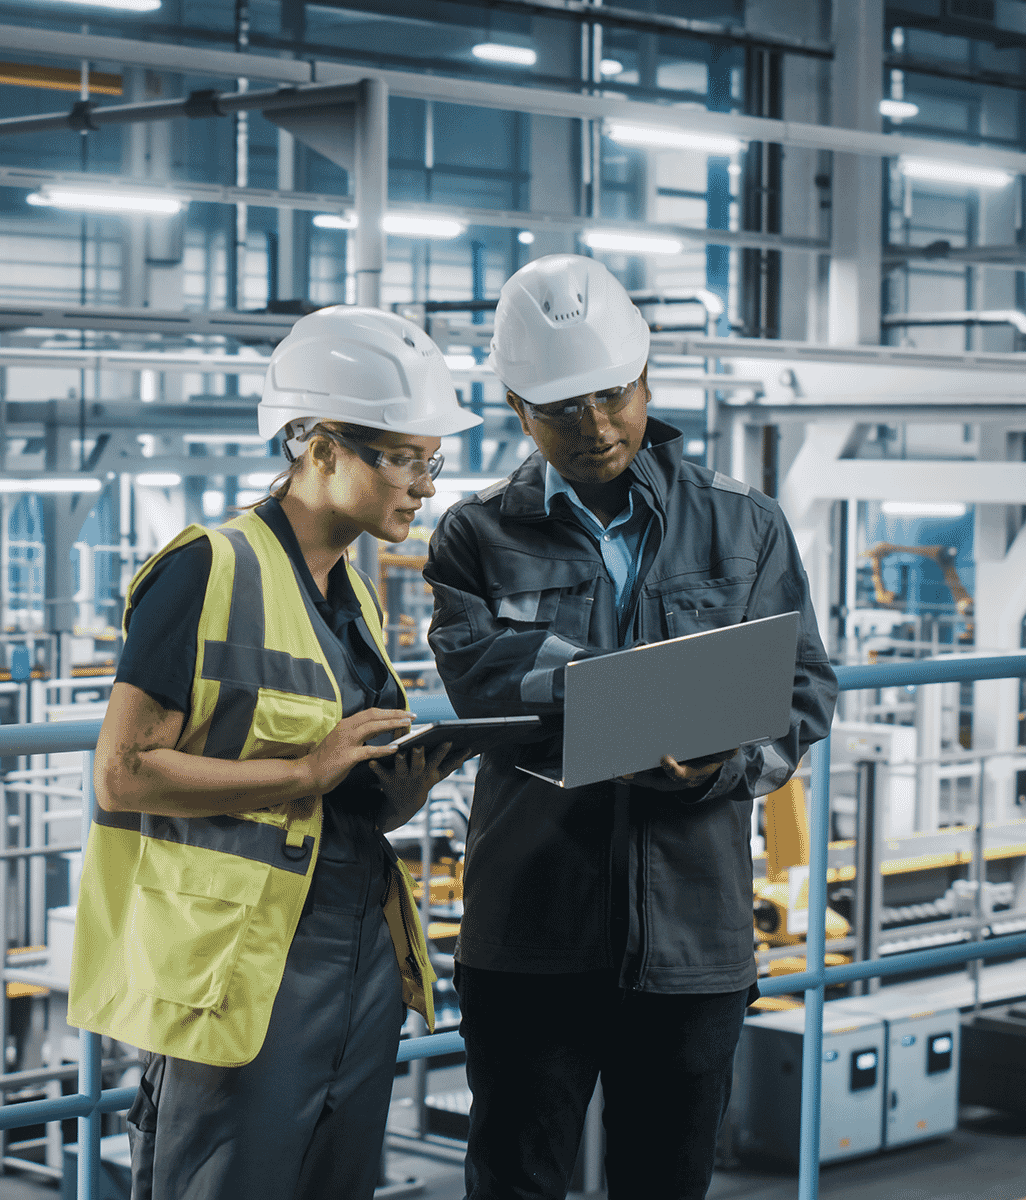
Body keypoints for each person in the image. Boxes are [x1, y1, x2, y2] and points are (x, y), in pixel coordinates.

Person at [423, 254, 838, 1200]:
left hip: (693, 938)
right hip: (531, 934)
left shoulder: (745, 525)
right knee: (516, 1182)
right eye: (562, 408)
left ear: (647, 378)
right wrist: (662, 702)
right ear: (518, 408)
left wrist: (725, 761)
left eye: (613, 396)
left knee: (667, 1181)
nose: (597, 426)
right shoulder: (473, 538)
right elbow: (489, 689)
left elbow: (802, 691)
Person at [68, 306, 483, 1200]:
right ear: (321, 446)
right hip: (242, 959)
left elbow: (340, 777)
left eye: (431, 461)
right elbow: (123, 769)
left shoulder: (357, 598)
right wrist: (305, 771)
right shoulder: (206, 569)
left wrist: (397, 787)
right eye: (405, 459)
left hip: (358, 941)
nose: (424, 485)